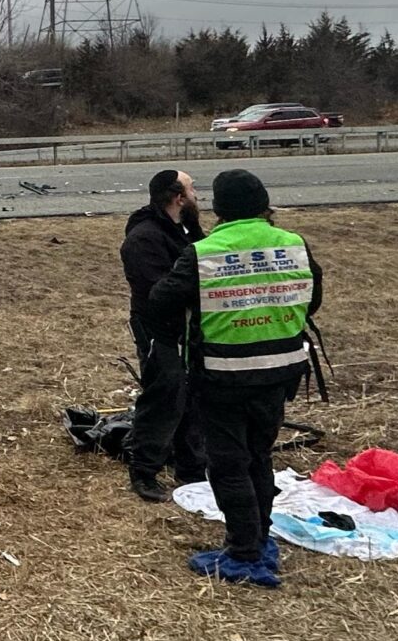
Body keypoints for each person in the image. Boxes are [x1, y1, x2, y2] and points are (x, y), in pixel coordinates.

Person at [143, 169, 322, 589]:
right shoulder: (293, 244)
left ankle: (244, 551)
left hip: (223, 375)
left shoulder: (205, 252)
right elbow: (312, 300)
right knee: (260, 455)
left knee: (227, 464)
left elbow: (160, 300)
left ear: (220, 208)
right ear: (263, 204)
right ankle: (259, 536)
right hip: (280, 371)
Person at [119, 168, 207, 503]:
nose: (197, 195)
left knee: (193, 394)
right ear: (179, 197)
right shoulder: (144, 238)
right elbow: (157, 292)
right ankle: (144, 470)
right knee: (164, 395)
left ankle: (192, 469)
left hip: (187, 329)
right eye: (192, 188)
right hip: (159, 330)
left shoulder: (186, 229)